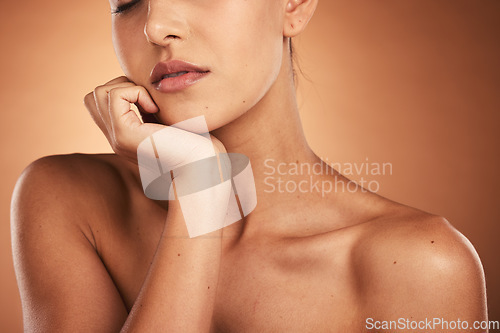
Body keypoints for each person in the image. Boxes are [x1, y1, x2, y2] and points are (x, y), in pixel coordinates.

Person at [11, 0, 488, 331]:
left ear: (293, 5)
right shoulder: (67, 200)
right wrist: (197, 201)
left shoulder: (421, 267)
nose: (155, 27)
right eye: (127, 0)